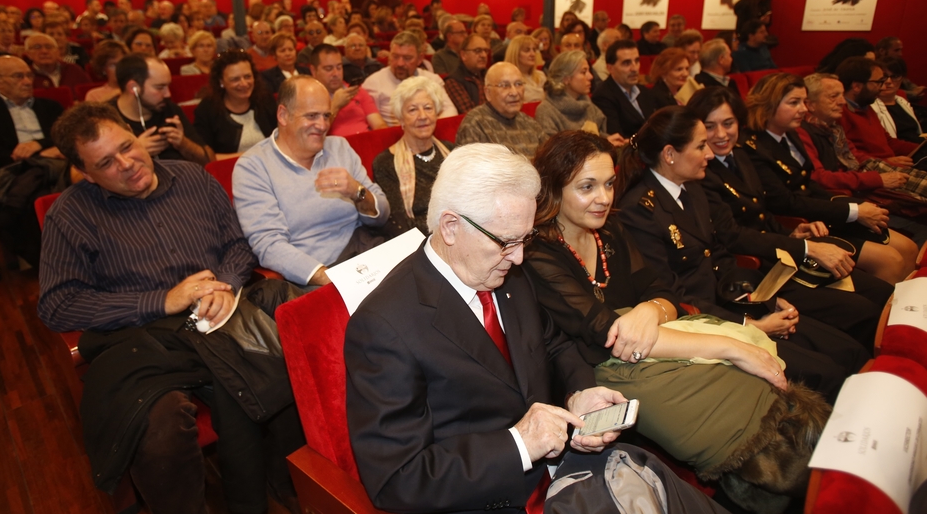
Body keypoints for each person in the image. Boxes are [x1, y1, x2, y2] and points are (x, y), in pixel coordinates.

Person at [345, 143, 729, 514]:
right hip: (488, 495)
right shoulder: (384, 326)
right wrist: (519, 444)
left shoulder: (504, 272)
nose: (520, 256)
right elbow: (396, 479)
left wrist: (580, 393)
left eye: (525, 238)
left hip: (566, 470)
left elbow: (553, 343)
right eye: (507, 242)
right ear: (450, 227)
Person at [525, 131, 829, 507]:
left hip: (659, 347)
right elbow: (607, 332)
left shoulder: (611, 231)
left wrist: (649, 310)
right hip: (605, 373)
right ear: (554, 188)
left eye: (608, 184)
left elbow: (662, 289)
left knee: (772, 387)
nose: (603, 198)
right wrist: (730, 347)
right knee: (747, 411)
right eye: (586, 187)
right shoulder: (538, 254)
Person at [37, 102, 303, 514]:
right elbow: (57, 306)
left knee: (295, 344)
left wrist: (225, 285)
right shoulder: (70, 215)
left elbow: (237, 245)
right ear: (86, 174)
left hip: (226, 310)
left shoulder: (193, 177)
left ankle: (291, 478)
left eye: (128, 145)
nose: (127, 163)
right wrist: (162, 300)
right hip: (150, 340)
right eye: (106, 162)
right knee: (159, 426)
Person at [616, 107, 868, 400]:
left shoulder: (691, 188)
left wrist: (762, 298)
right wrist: (751, 325)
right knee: (828, 375)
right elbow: (672, 296)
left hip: (732, 304)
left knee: (846, 350)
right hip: (703, 326)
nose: (710, 154)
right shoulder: (640, 211)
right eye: (701, 146)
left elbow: (719, 256)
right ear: (670, 154)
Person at [739, 72, 917, 283]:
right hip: (796, 224)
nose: (804, 109)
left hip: (819, 213)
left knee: (909, 248)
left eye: (804, 102)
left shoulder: (789, 133)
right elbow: (785, 202)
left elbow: (808, 184)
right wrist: (854, 210)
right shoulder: (752, 146)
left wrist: (856, 207)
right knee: (890, 261)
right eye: (794, 103)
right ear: (768, 105)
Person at [233, 76, 389, 286]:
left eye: (326, 115)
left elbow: (383, 215)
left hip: (364, 251)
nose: (323, 125)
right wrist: (331, 279)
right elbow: (269, 245)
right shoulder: (253, 166)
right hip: (313, 273)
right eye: (312, 116)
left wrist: (357, 191)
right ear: (283, 115)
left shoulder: (339, 147)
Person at [0, 55, 68, 290]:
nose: (28, 81)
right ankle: (46, 265)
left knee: (7, 210)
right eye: (19, 76)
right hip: (15, 172)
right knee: (13, 208)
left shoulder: (50, 107)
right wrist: (38, 155)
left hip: (56, 168)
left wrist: (38, 143)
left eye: (29, 75)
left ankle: (52, 266)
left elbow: (68, 136)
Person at [799, 73, 927, 214]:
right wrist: (877, 179)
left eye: (842, 95)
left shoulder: (833, 127)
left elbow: (857, 157)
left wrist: (893, 167)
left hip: (864, 177)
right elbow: (819, 177)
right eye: (833, 96)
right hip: (850, 194)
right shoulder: (802, 132)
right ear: (810, 104)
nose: (843, 102)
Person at [373, 76, 453, 236]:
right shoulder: (386, 163)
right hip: (422, 240)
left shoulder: (451, 151)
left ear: (437, 113)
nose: (422, 116)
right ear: (400, 118)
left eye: (428, 108)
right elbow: (401, 224)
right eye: (412, 110)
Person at [110, 55, 212, 165]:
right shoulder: (106, 120)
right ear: (133, 88)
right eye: (160, 87)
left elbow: (209, 160)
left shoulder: (170, 110)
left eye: (168, 86)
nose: (168, 94)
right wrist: (135, 151)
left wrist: (184, 144)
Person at [193, 50, 277, 158]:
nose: (244, 84)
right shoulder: (207, 109)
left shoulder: (265, 99)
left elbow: (282, 140)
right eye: (235, 79)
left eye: (247, 76)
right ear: (221, 82)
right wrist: (250, 156)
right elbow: (206, 157)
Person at [836, 56, 920, 164]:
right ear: (856, 86)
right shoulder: (840, 113)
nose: (882, 87)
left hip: (891, 167)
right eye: (878, 82)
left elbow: (889, 143)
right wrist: (886, 162)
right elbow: (847, 156)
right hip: (877, 171)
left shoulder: (866, 106)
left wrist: (921, 149)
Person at [363, 32, 456, 126]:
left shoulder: (432, 80)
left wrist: (426, 127)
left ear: (420, 59)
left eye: (407, 58)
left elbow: (450, 110)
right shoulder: (373, 83)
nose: (400, 63)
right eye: (395, 57)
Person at [455, 63, 546, 158]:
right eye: (505, 86)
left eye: (518, 84)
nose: (514, 92)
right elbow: (470, 169)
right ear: (488, 93)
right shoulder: (474, 124)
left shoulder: (530, 123)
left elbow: (549, 161)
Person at [534, 51, 623, 146]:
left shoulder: (589, 106)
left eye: (589, 71)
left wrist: (611, 141)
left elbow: (598, 136)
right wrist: (603, 144)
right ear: (566, 79)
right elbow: (554, 153)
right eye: (583, 72)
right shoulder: (546, 111)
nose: (590, 76)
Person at [309, 43, 387, 136]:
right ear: (314, 71)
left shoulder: (357, 91)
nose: (336, 73)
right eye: (329, 69)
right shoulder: (308, 98)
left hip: (366, 145)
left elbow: (379, 125)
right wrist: (335, 106)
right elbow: (314, 134)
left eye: (339, 67)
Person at [591, 40, 653, 139]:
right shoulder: (603, 96)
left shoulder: (644, 91)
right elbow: (618, 138)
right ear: (610, 68)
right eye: (626, 63)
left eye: (637, 61)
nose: (634, 68)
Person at [873, 58, 923, 142]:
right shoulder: (870, 106)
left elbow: (916, 133)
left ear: (902, 78)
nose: (888, 81)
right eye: (884, 77)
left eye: (895, 76)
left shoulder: (902, 101)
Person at [24, 34, 91, 92]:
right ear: (28, 54)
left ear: (57, 52)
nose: (44, 51)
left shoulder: (73, 70)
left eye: (49, 47)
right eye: (37, 47)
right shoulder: (24, 76)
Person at [443, 34, 490, 114]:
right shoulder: (453, 81)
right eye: (478, 51)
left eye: (486, 51)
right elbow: (471, 114)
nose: (484, 55)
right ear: (463, 55)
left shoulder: (490, 75)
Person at [504, 34, 547, 102]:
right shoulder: (507, 78)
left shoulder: (541, 76)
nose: (532, 54)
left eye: (534, 50)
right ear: (516, 53)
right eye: (527, 50)